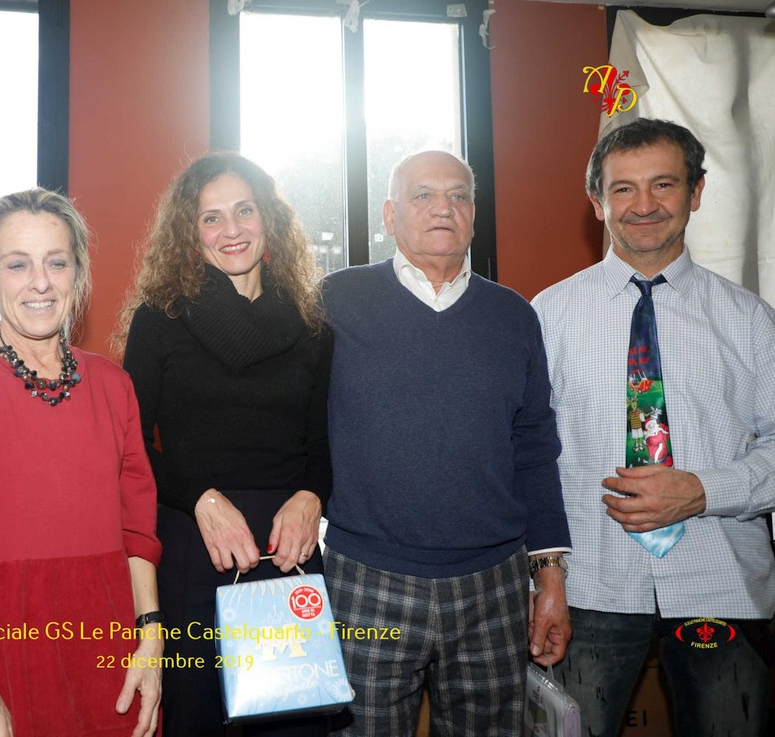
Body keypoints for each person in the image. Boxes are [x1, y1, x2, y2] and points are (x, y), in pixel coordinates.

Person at [532, 118, 774, 736]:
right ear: (597, 202)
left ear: (696, 192)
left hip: (722, 583)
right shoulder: (547, 316)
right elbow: (527, 456)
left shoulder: (751, 320)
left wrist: (704, 491)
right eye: (623, 188)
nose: (644, 205)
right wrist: (543, 576)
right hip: (588, 588)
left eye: (663, 184)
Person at [323, 150, 572, 736]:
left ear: (474, 214)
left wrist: (550, 578)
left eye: (458, 196)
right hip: (366, 578)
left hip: (493, 585)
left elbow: (535, 447)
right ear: (390, 215)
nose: (443, 208)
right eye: (423, 195)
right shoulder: (334, 302)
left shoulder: (514, 316)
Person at [0, 188, 162, 737]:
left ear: (78, 272)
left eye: (57, 262)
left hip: (108, 655)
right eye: (17, 264)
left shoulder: (114, 386)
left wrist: (151, 638)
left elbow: (138, 532)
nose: (40, 282)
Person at [117, 153, 333, 736]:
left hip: (286, 548)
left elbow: (322, 443)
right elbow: (128, 448)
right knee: (196, 718)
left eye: (244, 211)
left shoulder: (313, 324)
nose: (231, 229)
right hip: (195, 541)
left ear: (269, 219)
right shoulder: (159, 320)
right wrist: (202, 499)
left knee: (293, 722)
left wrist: (312, 496)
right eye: (211, 218)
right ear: (191, 233)